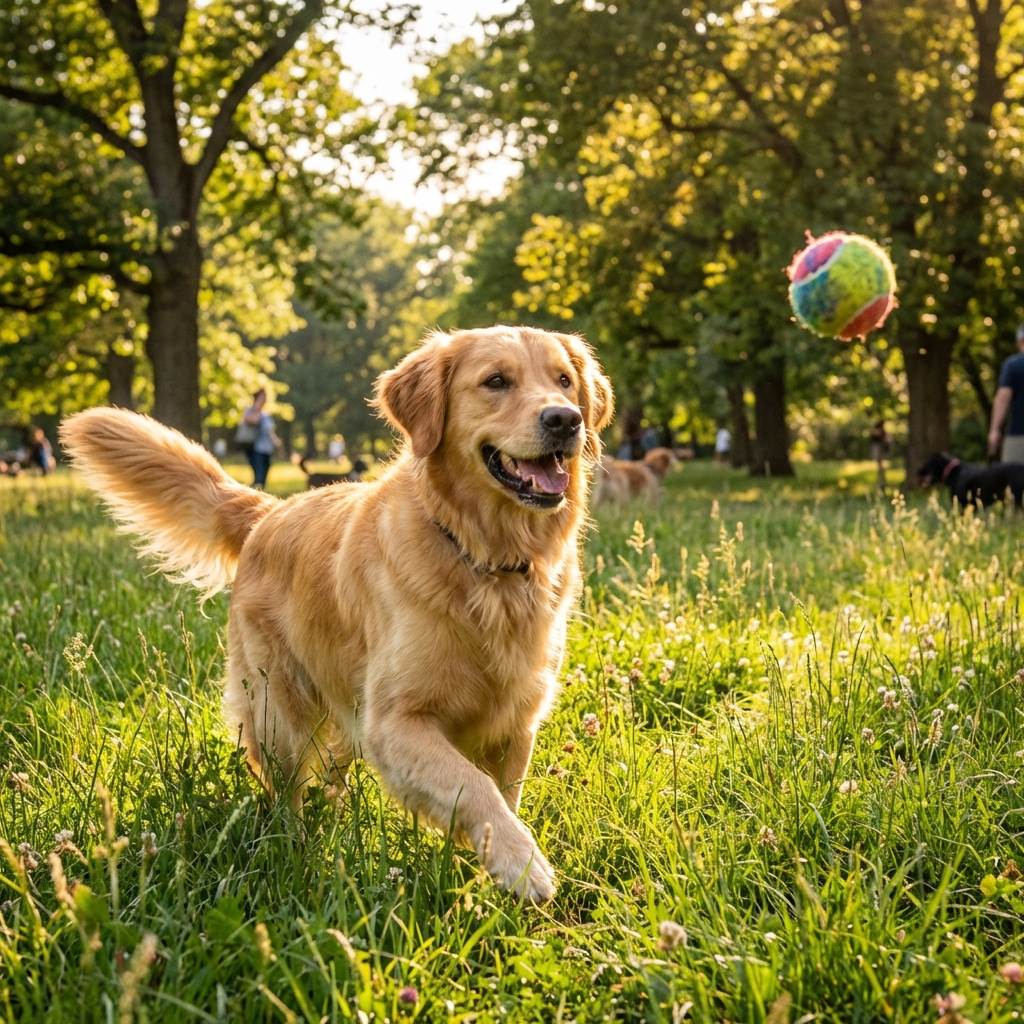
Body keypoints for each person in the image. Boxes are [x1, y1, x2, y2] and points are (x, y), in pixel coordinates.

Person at [989, 324, 1024, 462]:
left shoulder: (1013, 365)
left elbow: (1003, 397)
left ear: (1020, 340)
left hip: (1019, 433)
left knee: (1015, 478)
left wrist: (994, 429)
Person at [241, 389, 280, 488]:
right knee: (259, 474)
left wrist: (275, 440)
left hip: (266, 448)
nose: (264, 400)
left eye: (265, 397)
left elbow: (270, 430)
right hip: (255, 448)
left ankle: (259, 492)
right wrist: (257, 409)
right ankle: (253, 495)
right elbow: (253, 420)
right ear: (256, 398)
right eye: (262, 397)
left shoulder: (266, 414)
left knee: (264, 474)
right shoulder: (250, 410)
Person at [870, 419, 890, 493]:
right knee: (880, 468)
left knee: (881, 468)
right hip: (879, 451)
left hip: (881, 451)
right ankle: (881, 483)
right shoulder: (878, 432)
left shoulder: (884, 433)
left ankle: (882, 483)